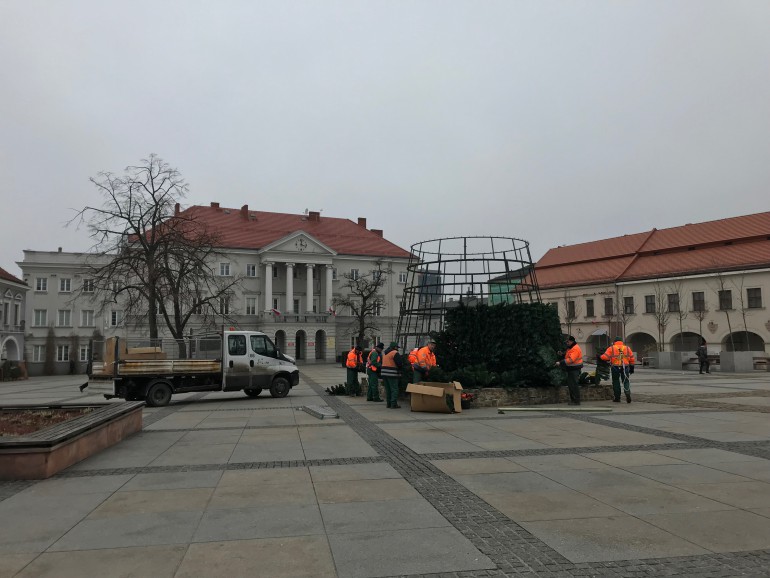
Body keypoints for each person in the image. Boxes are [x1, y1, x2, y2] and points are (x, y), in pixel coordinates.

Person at [601, 336, 635, 403]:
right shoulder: (627, 348)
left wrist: (600, 356)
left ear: (614, 342)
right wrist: (632, 368)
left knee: (616, 382)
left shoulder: (611, 348)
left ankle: (617, 398)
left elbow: (605, 357)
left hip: (615, 367)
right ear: (622, 342)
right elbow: (632, 358)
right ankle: (627, 393)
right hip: (625, 367)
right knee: (626, 381)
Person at [554, 335, 583, 405]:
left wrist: (560, 362)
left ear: (572, 341)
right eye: (566, 342)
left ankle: (576, 401)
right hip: (571, 369)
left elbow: (571, 359)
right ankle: (574, 400)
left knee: (574, 384)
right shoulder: (571, 348)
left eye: (568, 342)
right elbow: (568, 355)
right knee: (571, 384)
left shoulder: (575, 348)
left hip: (574, 369)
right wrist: (562, 354)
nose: (567, 343)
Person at [381, 341, 403, 408]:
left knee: (388, 389)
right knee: (394, 389)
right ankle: (393, 404)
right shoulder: (395, 353)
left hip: (384, 373)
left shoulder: (385, 353)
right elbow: (399, 364)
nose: (397, 349)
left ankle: (389, 404)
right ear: (394, 347)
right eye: (397, 347)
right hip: (392, 373)